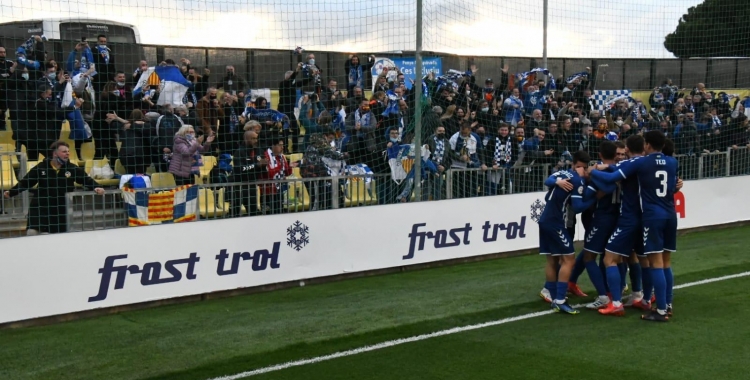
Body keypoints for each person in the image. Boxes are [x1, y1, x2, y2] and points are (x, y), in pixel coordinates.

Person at [589, 131, 678, 322]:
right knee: (651, 261)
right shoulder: (672, 162)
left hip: (639, 218)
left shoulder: (640, 163)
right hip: (668, 214)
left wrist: (593, 171)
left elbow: (611, 178)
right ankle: (651, 299)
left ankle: (618, 304)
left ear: (646, 145)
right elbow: (670, 185)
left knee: (611, 258)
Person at [3, 141, 104, 235]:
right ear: (55, 153)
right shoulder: (41, 167)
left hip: (61, 208)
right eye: (64, 151)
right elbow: (26, 182)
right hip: (41, 207)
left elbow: (86, 179)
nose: (67, 154)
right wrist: (11, 192)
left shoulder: (72, 168)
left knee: (59, 237)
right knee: (32, 233)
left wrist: (96, 187)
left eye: (68, 151)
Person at [538, 150, 594, 314]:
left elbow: (548, 180)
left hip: (545, 220)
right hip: (557, 223)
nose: (584, 172)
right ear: (577, 166)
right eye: (583, 168)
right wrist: (595, 197)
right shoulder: (577, 181)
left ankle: (551, 292)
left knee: (552, 258)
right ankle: (560, 300)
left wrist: (557, 182)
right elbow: (577, 208)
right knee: (569, 259)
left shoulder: (562, 173)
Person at [229, 130, 265, 217]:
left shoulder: (259, 151)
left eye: (256, 138)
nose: (256, 141)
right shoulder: (239, 152)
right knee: (235, 213)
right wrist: (256, 165)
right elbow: (240, 169)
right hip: (238, 187)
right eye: (253, 138)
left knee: (253, 212)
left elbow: (262, 166)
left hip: (252, 185)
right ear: (246, 139)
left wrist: (264, 165)